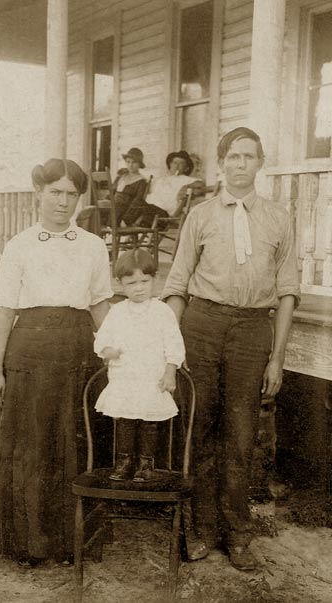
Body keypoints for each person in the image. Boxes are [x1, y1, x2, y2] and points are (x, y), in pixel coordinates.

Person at [161, 127, 300, 571]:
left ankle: (237, 534)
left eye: (249, 156)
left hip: (252, 331)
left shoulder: (279, 217)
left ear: (261, 163)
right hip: (202, 325)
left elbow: (287, 291)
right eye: (233, 157)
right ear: (221, 164)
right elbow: (178, 283)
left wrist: (277, 356)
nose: (241, 164)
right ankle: (199, 529)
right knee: (198, 430)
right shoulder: (200, 216)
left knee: (241, 438)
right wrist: (170, 346)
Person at [0, 158, 113, 566]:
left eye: (71, 194)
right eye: (55, 192)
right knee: (32, 446)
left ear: (80, 199)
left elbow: (100, 306)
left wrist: (115, 354)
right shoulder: (19, 245)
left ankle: (71, 542)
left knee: (75, 443)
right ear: (38, 195)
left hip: (78, 350)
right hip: (30, 352)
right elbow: (5, 311)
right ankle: (29, 544)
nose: (63, 202)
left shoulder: (93, 246)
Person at [93, 249, 185, 482]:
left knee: (149, 423)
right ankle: (125, 462)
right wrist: (108, 351)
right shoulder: (117, 313)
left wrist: (170, 371)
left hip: (152, 380)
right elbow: (102, 340)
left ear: (155, 279)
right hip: (126, 380)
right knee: (125, 421)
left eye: (145, 281)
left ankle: (146, 464)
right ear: (120, 283)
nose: (139, 288)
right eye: (131, 283)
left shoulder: (162, 311)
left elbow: (174, 343)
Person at [112, 147, 148, 226]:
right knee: (90, 212)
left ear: (139, 164)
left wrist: (126, 219)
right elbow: (111, 193)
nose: (130, 165)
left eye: (134, 162)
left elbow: (138, 201)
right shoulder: (121, 176)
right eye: (128, 162)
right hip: (112, 208)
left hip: (123, 212)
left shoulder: (141, 181)